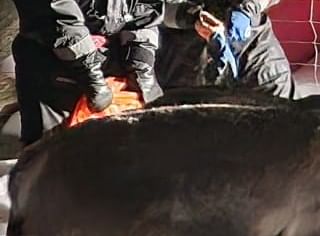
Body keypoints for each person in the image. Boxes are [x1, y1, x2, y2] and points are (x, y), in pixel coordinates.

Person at [11, 0, 163, 145]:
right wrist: (88, 69)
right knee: (48, 157)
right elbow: (50, 10)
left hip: (115, 55)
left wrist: (141, 58)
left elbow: (147, 9)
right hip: (53, 60)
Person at [159, 1, 294, 98]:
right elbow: (145, 11)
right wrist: (191, 17)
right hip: (186, 68)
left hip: (256, 57)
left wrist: (248, 8)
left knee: (276, 120)